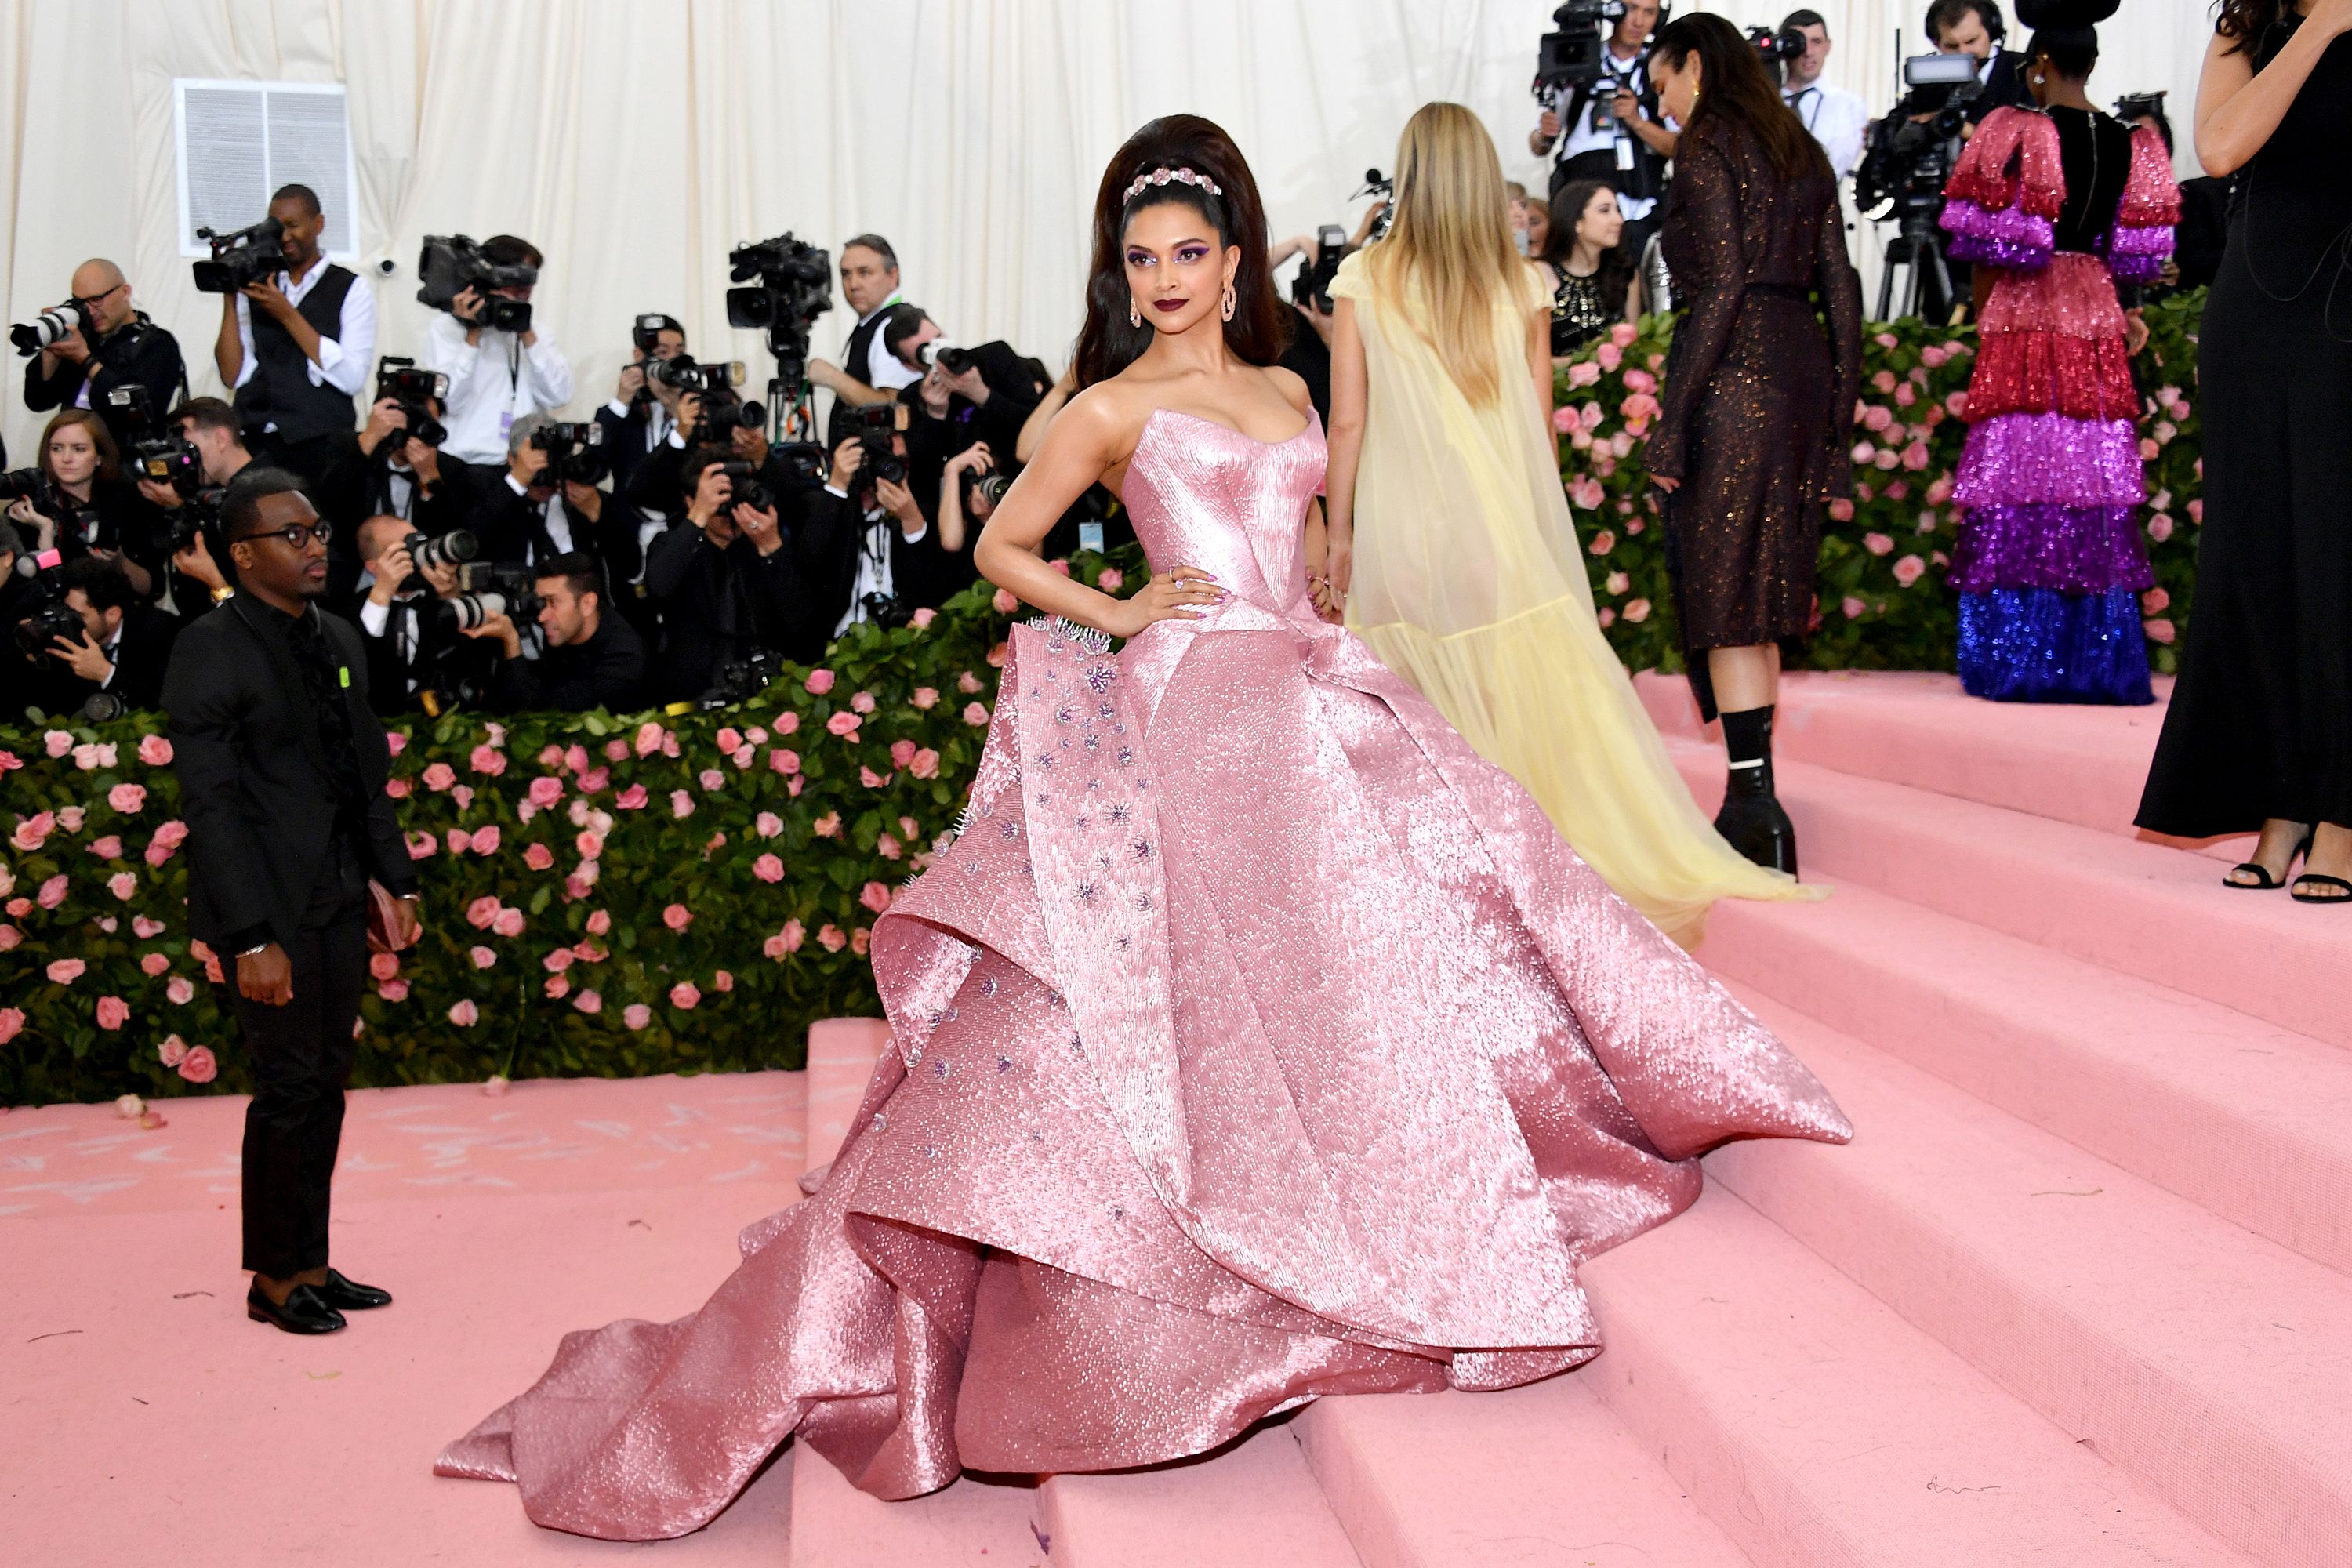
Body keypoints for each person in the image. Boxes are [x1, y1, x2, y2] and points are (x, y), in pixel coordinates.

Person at [437, 111, 1849, 1538]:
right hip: (1189, 701)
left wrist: (1332, 622)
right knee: (1176, 985)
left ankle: (1413, 1185)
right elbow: (1000, 547)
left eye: (1188, 252)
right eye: (1142, 257)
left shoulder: (1294, 394)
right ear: (1124, 274)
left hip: (1305, 683)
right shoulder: (1108, 407)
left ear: (1234, 262)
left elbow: (1313, 550)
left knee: (1427, 910)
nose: (1166, 276)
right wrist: (1118, 611)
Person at [1321, 103, 1813, 947]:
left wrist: (1337, 533)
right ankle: (1527, 865)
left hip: (1405, 535)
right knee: (1521, 700)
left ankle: (1446, 878)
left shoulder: (1367, 277)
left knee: (1426, 707)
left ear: (1410, 176)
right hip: (1499, 527)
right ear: (1483, 180)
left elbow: (1349, 424)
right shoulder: (1524, 285)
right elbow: (1538, 427)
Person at [161, 467, 419, 1335]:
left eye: (317, 532)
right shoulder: (208, 646)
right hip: (265, 910)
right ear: (242, 553)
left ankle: (310, 1259)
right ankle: (273, 1278)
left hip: (340, 894)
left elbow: (365, 779)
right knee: (287, 1086)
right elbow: (213, 805)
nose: (316, 547)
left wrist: (397, 876)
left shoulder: (340, 638)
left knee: (329, 1082)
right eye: (293, 535)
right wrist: (247, 935)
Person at [2138, 0, 2352, 904]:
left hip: (2349, 313)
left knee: (2338, 561)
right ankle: (2282, 805)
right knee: (2255, 559)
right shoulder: (2249, 24)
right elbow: (2221, 148)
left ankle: (2340, 812)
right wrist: (2322, 27)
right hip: (2254, 316)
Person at [1647, 13, 1864, 874]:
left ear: (1695, 66)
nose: (1660, 100)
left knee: (1726, 584)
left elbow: (1726, 280)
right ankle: (1753, 797)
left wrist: (1672, 417)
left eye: (1662, 81)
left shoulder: (1707, 144)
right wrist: (1838, 427)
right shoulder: (1798, 150)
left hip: (1733, 370)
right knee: (1764, 580)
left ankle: (1753, 807)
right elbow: (1842, 294)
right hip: (1800, 367)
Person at [1937, 0, 2176, 705]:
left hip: (2027, 303)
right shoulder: (2131, 140)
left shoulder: (2013, 129)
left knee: (2018, 470)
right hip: (2094, 304)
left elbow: (1986, 247)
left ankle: (2018, 657)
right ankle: (2095, 660)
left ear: (2037, 64)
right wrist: (2122, 313)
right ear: (2094, 63)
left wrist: (1986, 317)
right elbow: (2132, 255)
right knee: (2089, 475)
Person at [215, 184, 376, 481]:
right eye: (276, 227)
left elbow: (353, 378)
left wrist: (286, 313)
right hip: (258, 440)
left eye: (293, 226)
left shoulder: (352, 288)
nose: (285, 237)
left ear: (318, 224)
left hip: (323, 444)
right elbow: (233, 376)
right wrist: (230, 294)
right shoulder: (262, 285)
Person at [643, 447, 824, 696]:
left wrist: (772, 549)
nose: (729, 510)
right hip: (695, 695)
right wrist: (700, 514)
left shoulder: (762, 543)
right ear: (690, 500)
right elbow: (658, 588)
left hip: (763, 689)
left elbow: (802, 622)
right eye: (720, 497)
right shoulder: (672, 545)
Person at [1528, 0, 1674, 256]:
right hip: (1581, 208)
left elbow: (1681, 146)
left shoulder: (1662, 68)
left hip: (1643, 208)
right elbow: (1539, 145)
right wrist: (1544, 135)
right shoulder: (1577, 57)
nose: (1638, 21)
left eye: (1648, 12)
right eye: (1631, 8)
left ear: (1659, 17)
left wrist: (1637, 122)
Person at [423, 235, 575, 466]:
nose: (527, 289)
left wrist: (526, 333)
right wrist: (472, 335)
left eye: (532, 279)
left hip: (520, 466)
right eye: (520, 278)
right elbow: (450, 401)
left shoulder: (537, 332)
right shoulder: (447, 328)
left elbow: (560, 396)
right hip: (463, 462)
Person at [797, 423, 951, 637]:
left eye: (901, 462)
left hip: (903, 645)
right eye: (884, 460)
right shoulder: (833, 509)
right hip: (837, 644)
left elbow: (937, 597)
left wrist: (912, 523)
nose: (893, 470)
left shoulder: (925, 514)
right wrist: (838, 484)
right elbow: (809, 568)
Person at [20, 258, 187, 440]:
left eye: (97, 300)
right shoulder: (83, 339)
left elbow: (138, 410)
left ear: (125, 292)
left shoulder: (157, 343)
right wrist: (51, 347)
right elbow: (37, 400)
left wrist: (86, 359)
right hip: (75, 455)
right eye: (81, 303)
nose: (90, 311)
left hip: (126, 459)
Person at [5, 408, 164, 599]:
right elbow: (28, 586)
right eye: (57, 448)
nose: (66, 459)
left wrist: (120, 561)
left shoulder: (128, 505)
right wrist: (46, 531)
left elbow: (152, 588)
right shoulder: (29, 510)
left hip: (114, 613)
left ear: (99, 457)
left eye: (79, 449)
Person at [466, 551, 648, 713]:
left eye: (553, 602)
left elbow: (543, 711)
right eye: (540, 603)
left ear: (587, 604)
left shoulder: (623, 661)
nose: (542, 616)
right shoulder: (565, 628)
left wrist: (511, 643)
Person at [25, 554, 182, 713]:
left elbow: (164, 705)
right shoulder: (64, 634)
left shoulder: (161, 633)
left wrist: (106, 674)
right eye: (66, 610)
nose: (68, 620)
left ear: (112, 615)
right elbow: (52, 706)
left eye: (78, 616)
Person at [345, 514, 470, 713]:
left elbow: (467, 662)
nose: (418, 555)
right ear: (373, 566)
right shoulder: (351, 608)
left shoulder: (436, 598)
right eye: (407, 549)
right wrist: (382, 593)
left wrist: (451, 598)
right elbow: (355, 669)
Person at [812, 234, 920, 448]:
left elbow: (895, 407)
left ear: (893, 276)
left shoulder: (893, 327)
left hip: (883, 473)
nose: (853, 284)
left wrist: (833, 378)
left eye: (865, 273)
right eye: (846, 274)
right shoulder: (874, 322)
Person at [1539, 180, 1642, 357]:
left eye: (1617, 210)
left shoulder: (1625, 274)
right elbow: (1529, 358)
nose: (1618, 220)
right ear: (1576, 221)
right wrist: (1587, 363)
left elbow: (1635, 347)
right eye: (1604, 210)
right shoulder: (1541, 274)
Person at [1780, 10, 1871, 183]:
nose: (1808, 52)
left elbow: (1833, 168)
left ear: (1828, 46)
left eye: (1816, 42)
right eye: (1799, 42)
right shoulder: (1764, 103)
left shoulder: (1849, 105)